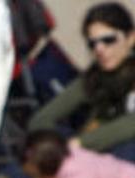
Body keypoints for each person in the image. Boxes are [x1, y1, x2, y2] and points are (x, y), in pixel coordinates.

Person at [28, 2, 135, 163]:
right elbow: (41, 119)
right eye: (93, 43)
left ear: (131, 38)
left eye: (108, 40)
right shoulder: (95, 77)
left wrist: (81, 143)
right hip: (89, 149)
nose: (99, 49)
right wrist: (56, 147)